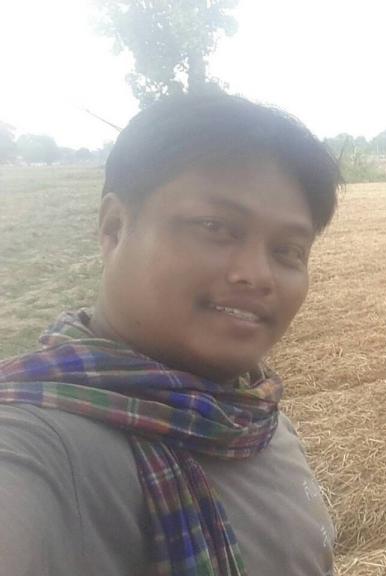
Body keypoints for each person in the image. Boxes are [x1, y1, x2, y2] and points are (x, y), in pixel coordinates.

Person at [0, 93, 340, 576]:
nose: (257, 275)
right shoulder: (39, 447)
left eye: (288, 250)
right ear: (114, 228)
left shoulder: (250, 413)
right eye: (215, 227)